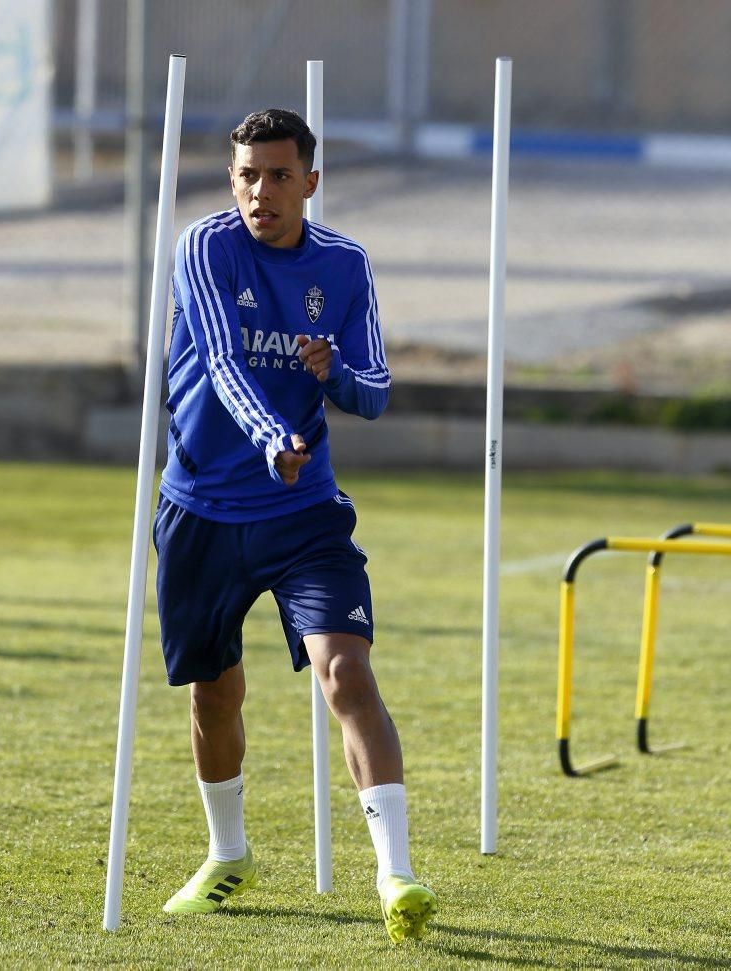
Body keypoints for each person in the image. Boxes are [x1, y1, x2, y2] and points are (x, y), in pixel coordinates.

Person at [153, 107, 437, 944]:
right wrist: (276, 435)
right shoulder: (205, 247)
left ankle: (398, 876)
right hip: (201, 507)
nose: (260, 191)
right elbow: (222, 362)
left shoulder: (345, 265)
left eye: (278, 175)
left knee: (346, 676)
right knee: (215, 692)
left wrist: (335, 372)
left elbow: (376, 389)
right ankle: (229, 854)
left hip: (303, 509)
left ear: (310, 181)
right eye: (246, 174)